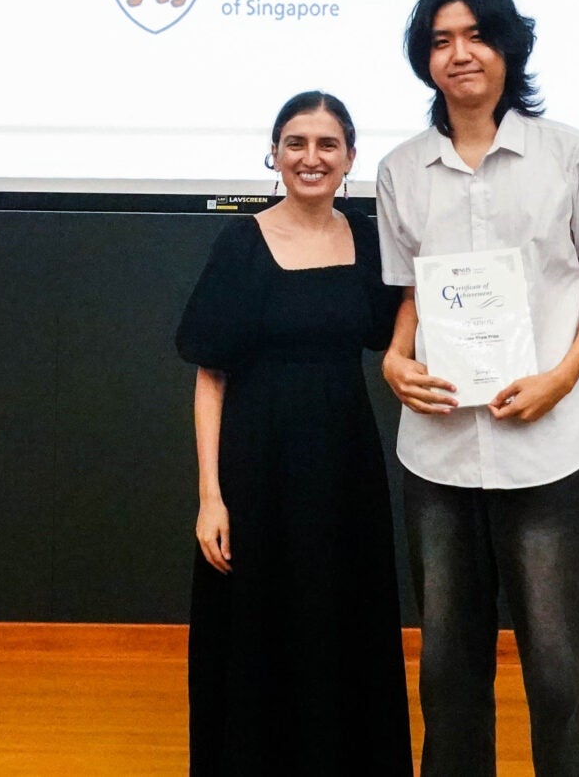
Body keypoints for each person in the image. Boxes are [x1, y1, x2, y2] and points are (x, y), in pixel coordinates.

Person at [376, 0, 579, 777]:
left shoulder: (567, 153)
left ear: (507, 47)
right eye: (441, 40)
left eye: (476, 35)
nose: (460, 53)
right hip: (440, 456)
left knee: (560, 676)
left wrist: (560, 377)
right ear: (425, 60)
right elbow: (412, 296)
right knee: (449, 676)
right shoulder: (400, 169)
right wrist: (394, 358)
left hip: (545, 450)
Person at [177, 91, 413, 777]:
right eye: (296, 143)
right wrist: (211, 497)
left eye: (327, 144)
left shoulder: (369, 240)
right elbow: (210, 377)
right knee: (258, 631)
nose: (312, 157)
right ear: (275, 155)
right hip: (257, 474)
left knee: (343, 624)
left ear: (350, 157)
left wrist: (404, 347)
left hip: (345, 470)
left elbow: (407, 305)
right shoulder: (240, 245)